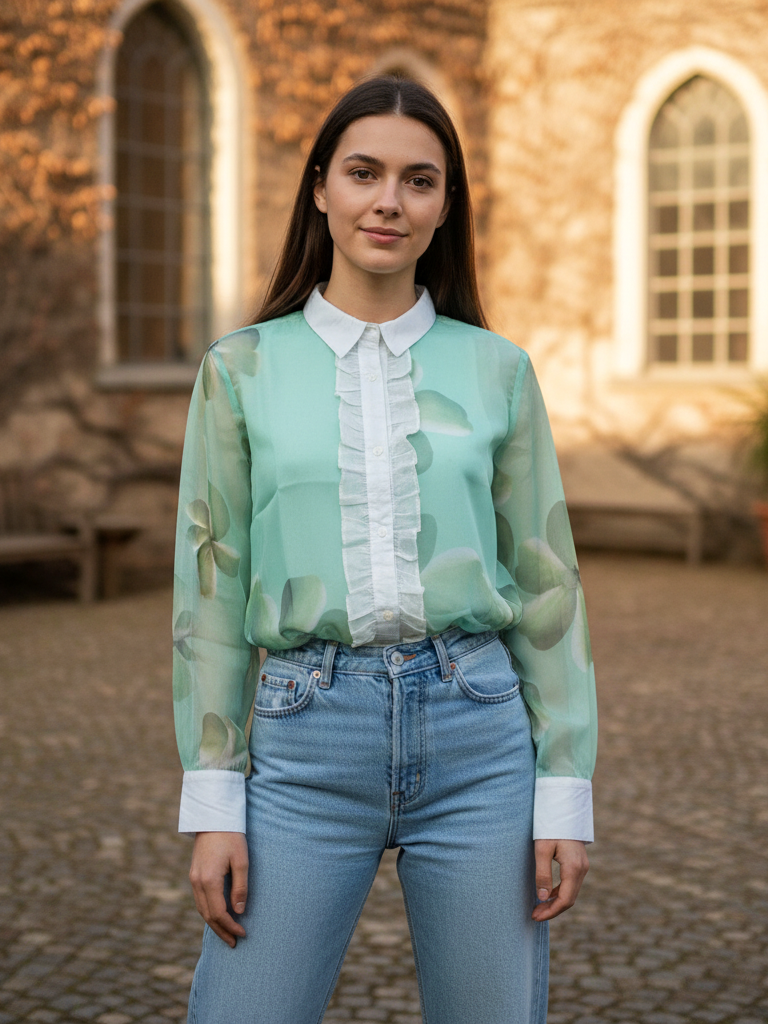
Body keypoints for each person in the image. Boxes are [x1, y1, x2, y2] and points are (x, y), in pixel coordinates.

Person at [171, 74, 597, 1024]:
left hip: (480, 736)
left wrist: (564, 785)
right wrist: (214, 800)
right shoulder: (238, 371)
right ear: (321, 187)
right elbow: (208, 592)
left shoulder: (500, 371)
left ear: (446, 207)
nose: (389, 202)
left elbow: (546, 582)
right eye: (364, 173)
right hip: (306, 737)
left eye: (420, 180)